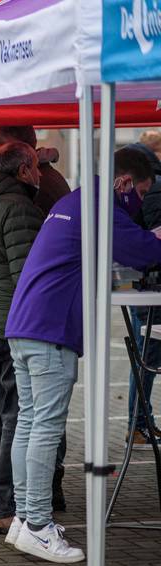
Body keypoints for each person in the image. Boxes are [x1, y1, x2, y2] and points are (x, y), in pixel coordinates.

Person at [2, 148, 161, 563]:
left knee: (30, 423)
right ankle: (36, 525)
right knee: (44, 429)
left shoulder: (73, 201)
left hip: (25, 325)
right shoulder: (99, 207)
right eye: (140, 194)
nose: (139, 204)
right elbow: (145, 252)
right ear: (124, 182)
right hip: (50, 330)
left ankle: (23, 518)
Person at [0, 140, 45, 535]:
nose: (39, 175)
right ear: (22, 171)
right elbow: (28, 277)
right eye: (35, 166)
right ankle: (4, 507)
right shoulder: (18, 208)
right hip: (11, 323)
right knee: (17, 417)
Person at [123, 137, 161, 447]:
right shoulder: (152, 189)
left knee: (145, 357)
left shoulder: (146, 187)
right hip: (149, 289)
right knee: (147, 358)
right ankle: (138, 422)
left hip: (143, 287)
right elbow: (146, 243)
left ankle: (140, 421)